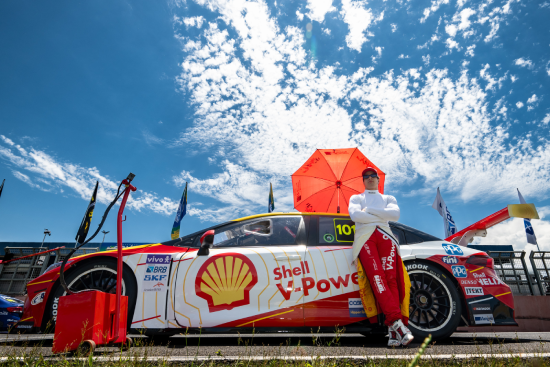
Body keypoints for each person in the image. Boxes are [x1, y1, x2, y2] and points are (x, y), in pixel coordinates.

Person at [348, 167, 414, 347]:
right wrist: (379, 215)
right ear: (363, 181)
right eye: (366, 176)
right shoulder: (356, 198)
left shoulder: (388, 198)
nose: (369, 178)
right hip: (365, 238)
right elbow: (355, 216)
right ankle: (397, 323)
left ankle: (393, 332)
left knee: (391, 280)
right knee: (377, 279)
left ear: (378, 179)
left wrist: (368, 211)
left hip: (387, 236)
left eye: (372, 176)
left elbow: (395, 215)